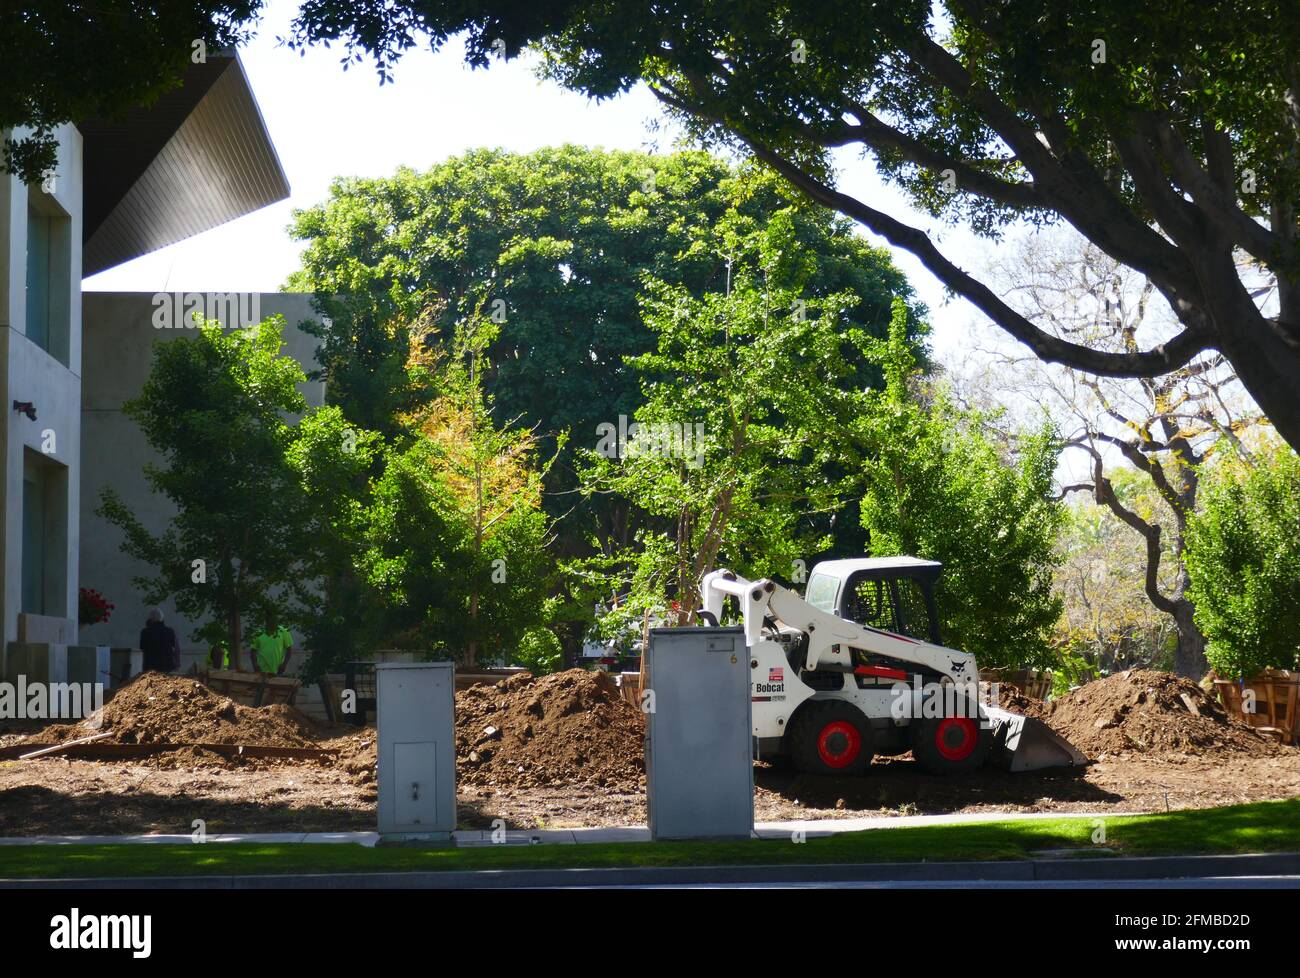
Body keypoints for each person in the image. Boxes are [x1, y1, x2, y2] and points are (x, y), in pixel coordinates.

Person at [139, 608, 180, 673]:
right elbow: (176, 649)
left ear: (150, 619)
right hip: (167, 666)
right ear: (162, 618)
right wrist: (177, 664)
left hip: (150, 667)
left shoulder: (145, 632)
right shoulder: (170, 631)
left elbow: (142, 647)